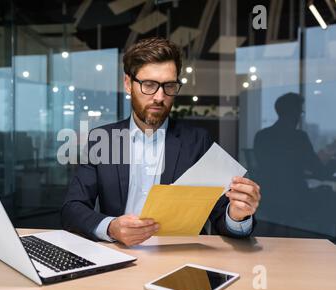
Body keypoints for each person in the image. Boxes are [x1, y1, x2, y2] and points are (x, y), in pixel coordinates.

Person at [61, 37, 261, 246]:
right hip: (119, 255)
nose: (159, 96)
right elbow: (72, 208)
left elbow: (222, 216)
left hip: (178, 258)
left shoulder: (197, 141)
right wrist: (112, 227)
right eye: (149, 85)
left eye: (169, 86)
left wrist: (238, 215)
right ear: (128, 84)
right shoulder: (102, 140)